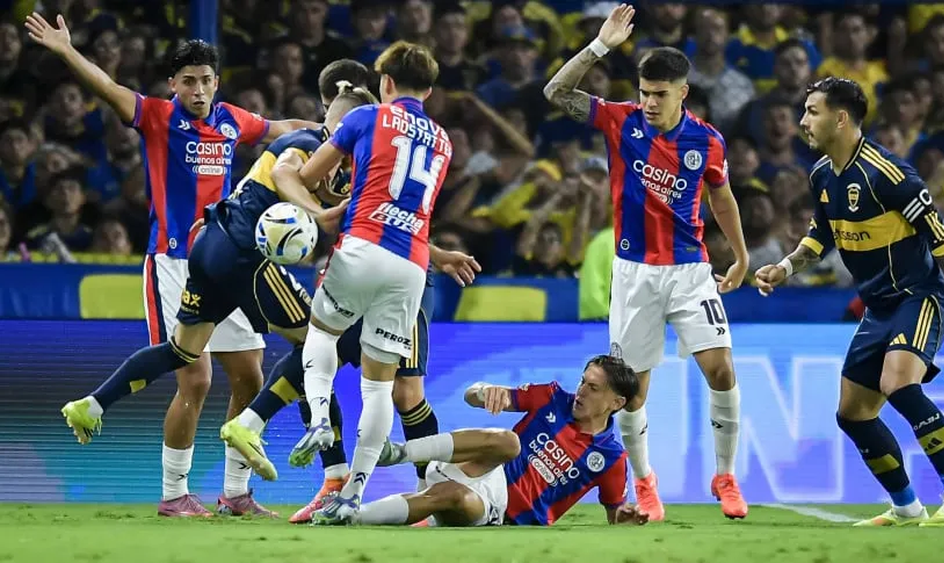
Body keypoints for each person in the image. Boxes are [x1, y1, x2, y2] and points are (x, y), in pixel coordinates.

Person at [26, 12, 316, 517]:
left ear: (216, 83)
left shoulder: (232, 120)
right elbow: (109, 88)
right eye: (188, 81)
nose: (198, 90)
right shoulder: (158, 116)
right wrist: (66, 50)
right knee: (195, 378)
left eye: (205, 80)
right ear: (173, 84)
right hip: (173, 261)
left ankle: (235, 493)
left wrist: (338, 130)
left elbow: (283, 130)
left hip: (228, 256)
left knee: (249, 376)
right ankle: (173, 493)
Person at [542, 3, 750, 520]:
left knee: (721, 368)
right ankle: (645, 483)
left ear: (683, 92)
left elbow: (722, 197)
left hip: (690, 270)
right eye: (644, 92)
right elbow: (555, 93)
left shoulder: (708, 141)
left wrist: (741, 255)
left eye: (660, 94)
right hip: (634, 274)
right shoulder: (621, 122)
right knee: (631, 394)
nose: (650, 102)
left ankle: (725, 476)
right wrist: (600, 46)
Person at [755, 77, 944, 528]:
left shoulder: (889, 175)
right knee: (853, 414)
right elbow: (821, 235)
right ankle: (906, 506)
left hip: (918, 296)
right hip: (878, 307)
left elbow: (941, 234)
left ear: (841, 119)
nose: (803, 121)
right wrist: (785, 267)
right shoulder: (822, 174)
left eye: (812, 111)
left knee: (899, 384)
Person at [261, 41, 452, 522]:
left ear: (385, 84)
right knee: (379, 388)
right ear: (428, 91)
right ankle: (354, 494)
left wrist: (300, 178)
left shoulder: (365, 118)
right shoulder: (444, 141)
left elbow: (308, 175)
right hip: (411, 265)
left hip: (363, 245)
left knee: (321, 333)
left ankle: (320, 419)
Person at [324, 355, 649, 528]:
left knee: (451, 496)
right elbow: (471, 395)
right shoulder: (551, 397)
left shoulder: (611, 458)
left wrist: (625, 517)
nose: (581, 391)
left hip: (497, 511)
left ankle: (351, 515)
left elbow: (615, 513)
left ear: (617, 402)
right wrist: (483, 392)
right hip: (481, 466)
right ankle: (397, 453)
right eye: (583, 381)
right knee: (510, 442)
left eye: (593, 388)